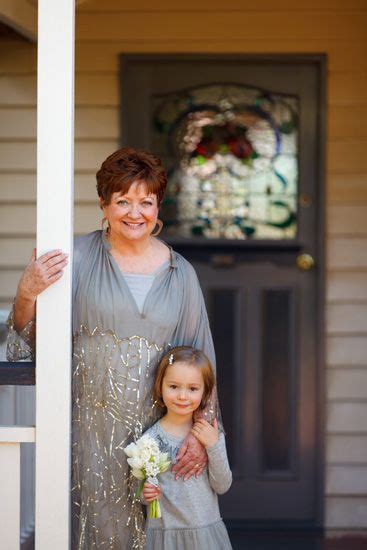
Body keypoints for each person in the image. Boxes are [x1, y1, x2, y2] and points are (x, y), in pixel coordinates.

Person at [6, 147, 219, 549]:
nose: (134, 213)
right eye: (122, 201)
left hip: (162, 441)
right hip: (89, 439)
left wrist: (199, 434)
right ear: (104, 205)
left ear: (159, 207)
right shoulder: (77, 259)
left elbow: (201, 361)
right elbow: (28, 342)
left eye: (145, 202)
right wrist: (26, 293)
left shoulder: (181, 274)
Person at [141, 346, 232, 550]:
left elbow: (223, 485)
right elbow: (141, 489)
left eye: (192, 389)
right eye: (174, 386)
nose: (182, 396)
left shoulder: (210, 435)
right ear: (160, 386)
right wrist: (145, 493)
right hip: (167, 537)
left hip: (204, 536)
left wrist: (213, 445)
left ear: (205, 392)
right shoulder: (150, 439)